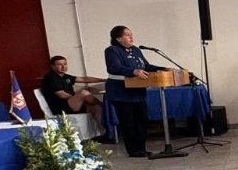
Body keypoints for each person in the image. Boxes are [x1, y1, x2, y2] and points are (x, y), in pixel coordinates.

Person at [104, 26, 167, 157]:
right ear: (118, 38)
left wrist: (164, 68)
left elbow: (146, 67)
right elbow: (114, 67)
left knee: (142, 120)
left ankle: (141, 148)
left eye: (131, 34)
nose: (131, 37)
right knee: (128, 122)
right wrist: (133, 71)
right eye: (127, 35)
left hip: (138, 92)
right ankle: (133, 150)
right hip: (122, 92)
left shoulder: (136, 50)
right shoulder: (112, 50)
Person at [39, 56, 105, 117]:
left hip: (71, 104)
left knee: (98, 109)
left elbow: (84, 79)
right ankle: (105, 106)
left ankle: (104, 129)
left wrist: (104, 80)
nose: (63, 66)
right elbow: (62, 95)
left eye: (65, 64)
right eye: (59, 64)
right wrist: (80, 98)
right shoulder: (50, 78)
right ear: (52, 66)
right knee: (83, 93)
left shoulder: (65, 77)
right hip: (61, 107)